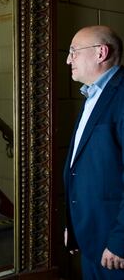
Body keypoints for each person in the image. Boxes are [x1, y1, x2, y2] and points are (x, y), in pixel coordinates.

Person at [63, 25, 124, 279]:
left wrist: (121, 240)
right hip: (90, 235)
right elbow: (81, 169)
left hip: (115, 246)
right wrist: (73, 226)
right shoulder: (92, 96)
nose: (68, 60)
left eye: (74, 51)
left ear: (101, 52)